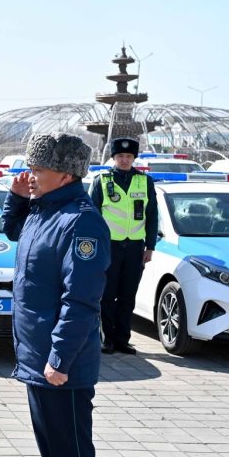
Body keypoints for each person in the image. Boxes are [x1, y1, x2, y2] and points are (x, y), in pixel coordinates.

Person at [2, 132, 110, 457]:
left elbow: (80, 300)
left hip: (60, 364)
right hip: (35, 356)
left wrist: (60, 359)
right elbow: (13, 230)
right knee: (54, 452)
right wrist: (15, 197)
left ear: (65, 174)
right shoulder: (42, 210)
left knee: (71, 454)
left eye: (37, 170)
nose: (29, 176)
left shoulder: (81, 222)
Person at [90, 137, 157, 355]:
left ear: (134, 158)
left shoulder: (144, 181)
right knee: (108, 295)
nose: (125, 160)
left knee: (128, 295)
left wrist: (150, 246)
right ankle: (107, 338)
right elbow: (92, 215)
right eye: (120, 156)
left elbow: (152, 215)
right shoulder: (102, 180)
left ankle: (123, 339)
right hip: (110, 247)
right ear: (113, 158)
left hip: (135, 247)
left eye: (129, 157)